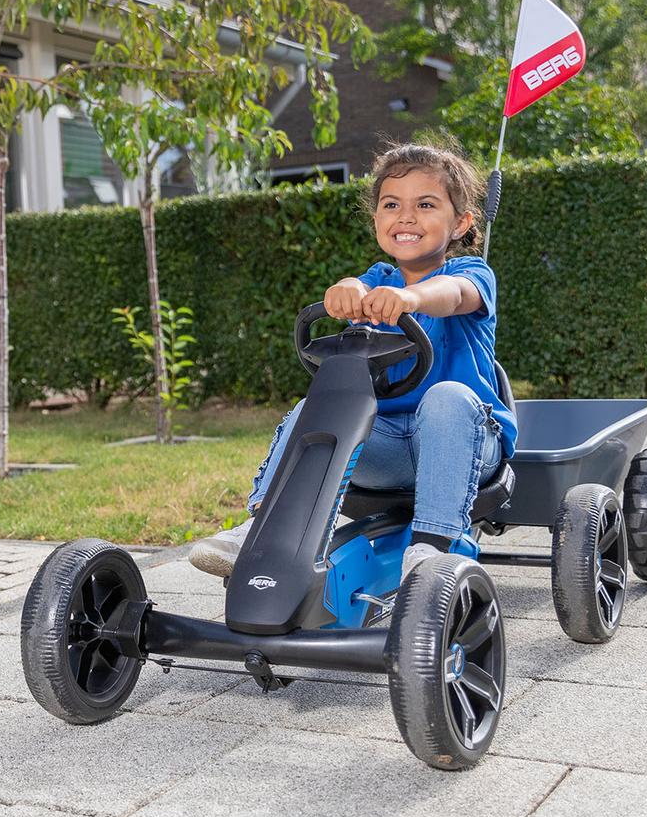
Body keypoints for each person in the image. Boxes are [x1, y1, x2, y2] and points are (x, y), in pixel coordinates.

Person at [189, 141, 518, 583]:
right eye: (391, 205)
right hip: (385, 448)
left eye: (425, 205)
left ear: (461, 222)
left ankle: (434, 547)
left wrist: (411, 297)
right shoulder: (377, 280)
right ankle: (263, 532)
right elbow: (355, 287)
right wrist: (345, 290)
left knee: (448, 397)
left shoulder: (471, 274)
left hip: (465, 446)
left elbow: (455, 296)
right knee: (316, 408)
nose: (406, 216)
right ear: (376, 218)